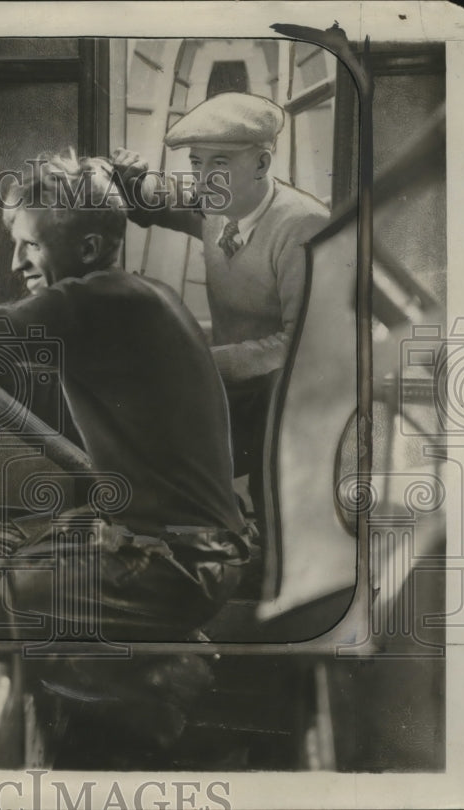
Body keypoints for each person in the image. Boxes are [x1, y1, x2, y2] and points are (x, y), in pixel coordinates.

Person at [0, 149, 252, 641]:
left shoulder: (101, 302)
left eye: (30, 245)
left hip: (181, 562)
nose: (16, 263)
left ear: (88, 247)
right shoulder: (139, 295)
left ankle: (145, 694)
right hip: (170, 539)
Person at [112, 92, 329, 534]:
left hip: (291, 395)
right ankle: (205, 542)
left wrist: (204, 363)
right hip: (239, 386)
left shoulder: (303, 226)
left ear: (262, 165)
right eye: (197, 163)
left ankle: (258, 557)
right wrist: (130, 180)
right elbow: (155, 206)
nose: (204, 179)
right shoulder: (217, 207)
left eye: (220, 163)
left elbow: (302, 346)